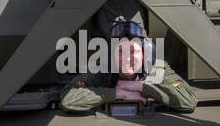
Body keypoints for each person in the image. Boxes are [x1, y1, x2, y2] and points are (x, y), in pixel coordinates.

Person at [60, 21, 197, 112]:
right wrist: (119, 94)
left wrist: (141, 87)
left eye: (134, 51)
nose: (127, 58)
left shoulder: (156, 68)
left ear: (146, 55)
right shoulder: (102, 69)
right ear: (110, 55)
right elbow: (68, 99)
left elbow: (188, 100)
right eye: (120, 51)